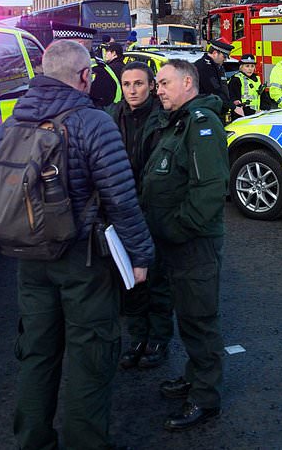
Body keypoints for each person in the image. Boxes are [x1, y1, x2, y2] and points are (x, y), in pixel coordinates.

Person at [6, 38, 155, 450]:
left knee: (37, 354)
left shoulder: (16, 120)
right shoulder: (92, 123)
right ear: (85, 77)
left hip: (28, 255)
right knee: (90, 356)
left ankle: (32, 441)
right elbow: (121, 199)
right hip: (81, 258)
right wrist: (141, 256)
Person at [141, 59, 230, 431]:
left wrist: (179, 228)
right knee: (188, 316)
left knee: (199, 319)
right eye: (157, 84)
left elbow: (210, 189)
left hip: (192, 242)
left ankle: (205, 398)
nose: (157, 90)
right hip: (175, 242)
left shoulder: (201, 124)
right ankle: (195, 376)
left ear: (188, 83)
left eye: (163, 83)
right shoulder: (177, 121)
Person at [106, 61, 173, 370]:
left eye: (139, 84)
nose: (132, 89)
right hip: (122, 207)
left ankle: (158, 337)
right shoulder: (110, 116)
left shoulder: (163, 118)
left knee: (157, 276)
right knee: (130, 278)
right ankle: (136, 336)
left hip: (153, 207)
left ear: (150, 86)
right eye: (127, 84)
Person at [194, 39, 233, 117]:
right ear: (215, 53)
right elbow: (215, 90)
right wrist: (232, 106)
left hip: (215, 110)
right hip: (206, 112)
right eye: (224, 56)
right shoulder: (204, 67)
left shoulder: (217, 66)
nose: (225, 59)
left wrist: (231, 102)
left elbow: (223, 89)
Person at [228, 54, 262, 118]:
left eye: (252, 66)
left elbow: (263, 97)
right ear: (241, 67)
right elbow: (235, 102)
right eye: (247, 66)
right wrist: (253, 112)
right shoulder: (236, 80)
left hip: (256, 115)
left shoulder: (257, 79)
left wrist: (264, 110)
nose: (250, 69)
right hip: (241, 116)